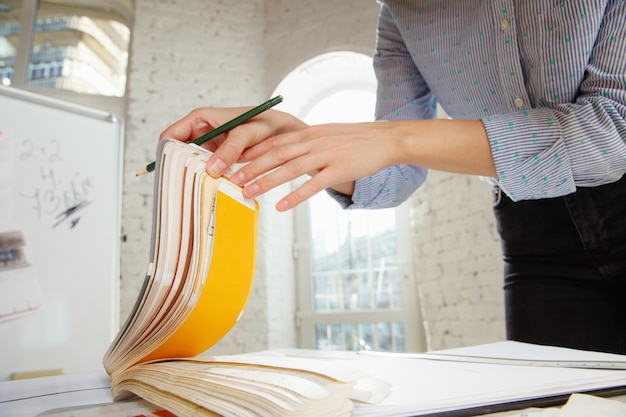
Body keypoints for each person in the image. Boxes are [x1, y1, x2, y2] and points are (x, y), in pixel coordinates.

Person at [160, 1, 626, 354]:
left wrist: (395, 138)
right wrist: (301, 141)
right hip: (535, 239)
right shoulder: (400, 15)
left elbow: (611, 130)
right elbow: (395, 173)